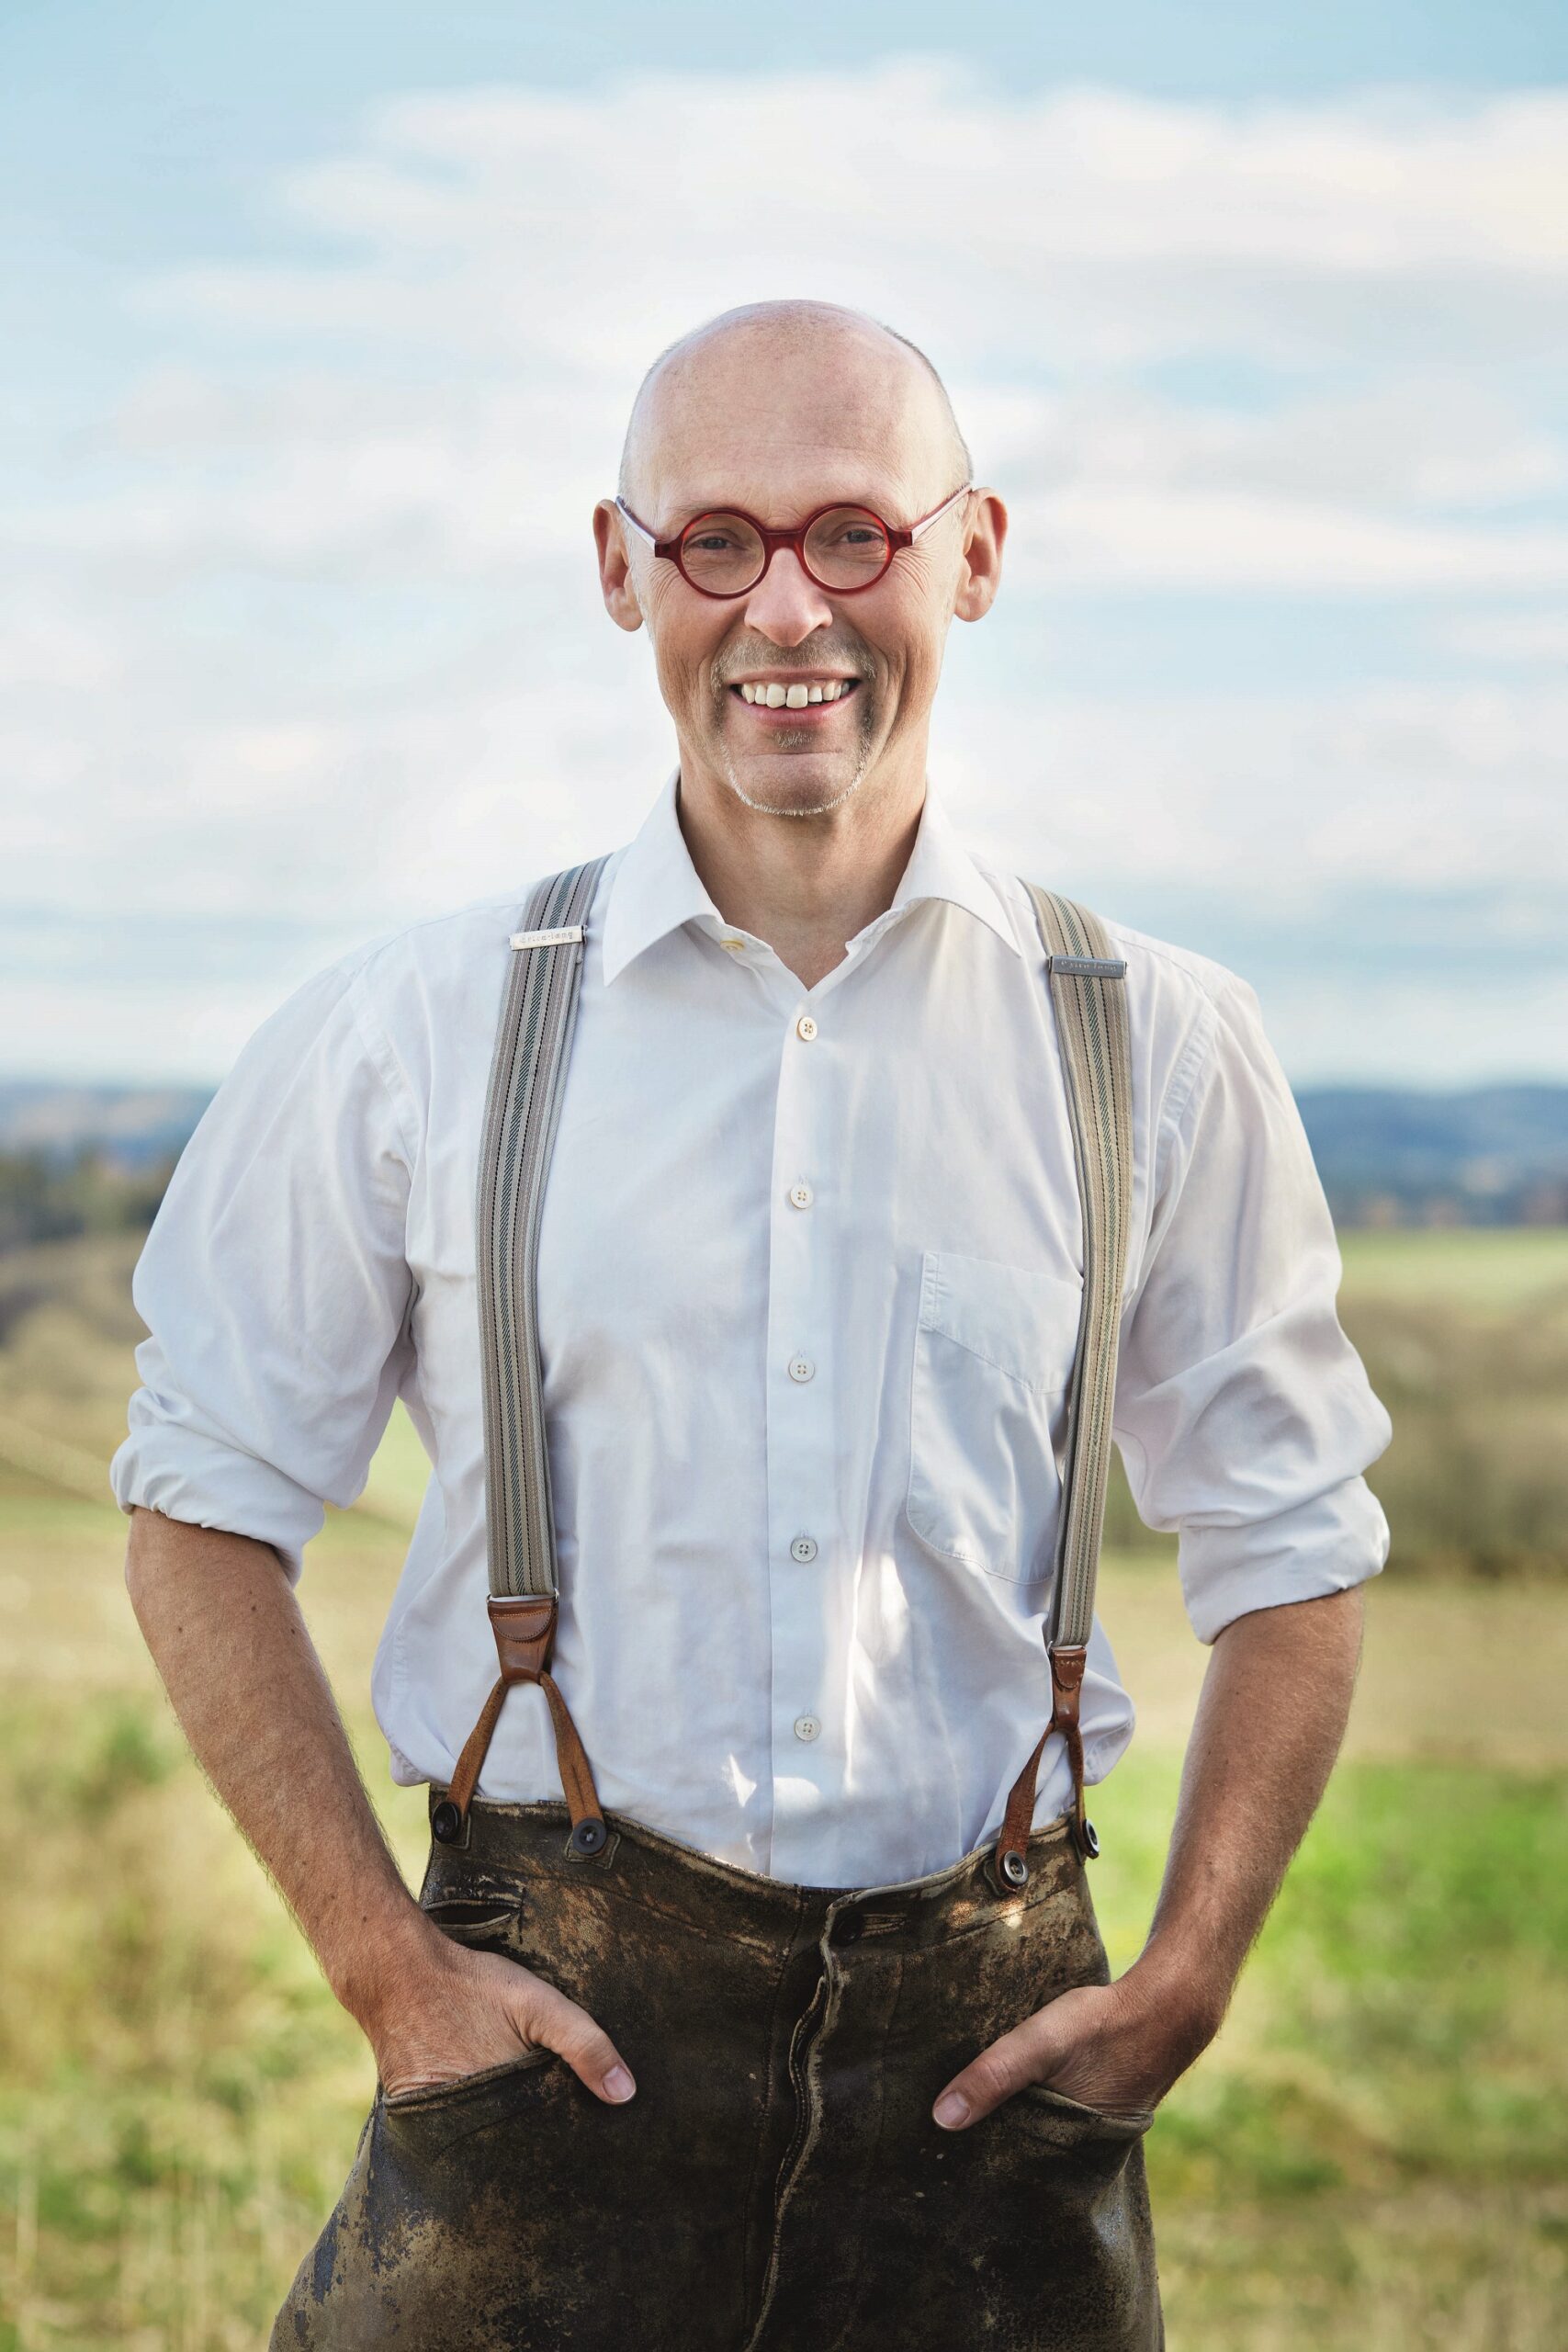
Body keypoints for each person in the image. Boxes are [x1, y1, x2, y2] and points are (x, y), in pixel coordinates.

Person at [113, 300, 1392, 2350]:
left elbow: (1292, 1538)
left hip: (993, 2105)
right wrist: (389, 1977)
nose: (783, 603)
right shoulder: (410, 1027)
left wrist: (1185, 1978)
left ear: (971, 553)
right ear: (619, 566)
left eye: (850, 533)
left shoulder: (1156, 1039)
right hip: (532, 2065)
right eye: (715, 537)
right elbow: (195, 1502)